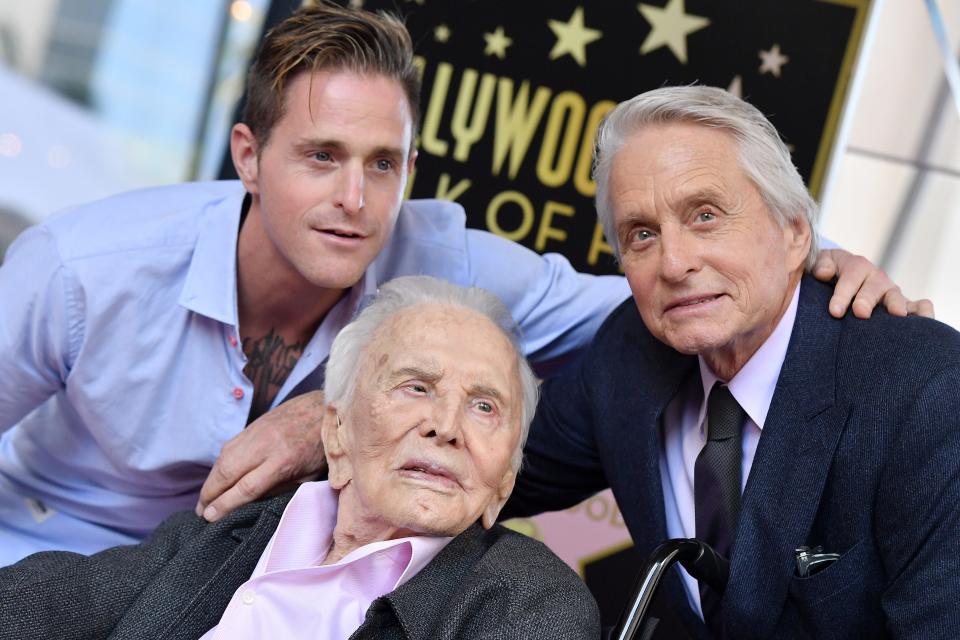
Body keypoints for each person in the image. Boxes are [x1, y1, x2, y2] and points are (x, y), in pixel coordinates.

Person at [0, 3, 921, 564]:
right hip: (41, 552)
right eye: (320, 157)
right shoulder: (81, 271)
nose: (354, 200)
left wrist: (820, 260)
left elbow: (668, 290)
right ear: (248, 154)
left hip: (255, 588)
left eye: (384, 164)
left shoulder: (442, 255)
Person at [503, 86, 960, 639]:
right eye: (642, 234)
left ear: (795, 232)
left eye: (705, 216)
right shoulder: (623, 355)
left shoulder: (930, 392)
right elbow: (485, 472)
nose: (674, 263)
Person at [0, 276, 601, 640]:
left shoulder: (529, 601)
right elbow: (52, 601)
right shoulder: (239, 533)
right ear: (335, 433)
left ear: (504, 481)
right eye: (417, 387)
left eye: (484, 407)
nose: (445, 427)